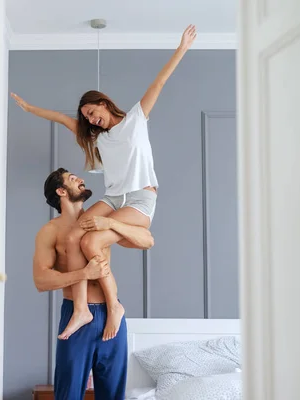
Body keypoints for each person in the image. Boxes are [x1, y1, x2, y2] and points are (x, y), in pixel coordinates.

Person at [14, 24, 197, 341]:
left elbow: (160, 81)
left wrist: (182, 48)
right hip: (114, 197)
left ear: (103, 103)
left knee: (92, 241)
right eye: (85, 116)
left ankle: (114, 305)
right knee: (74, 235)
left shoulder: (136, 120)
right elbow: (61, 119)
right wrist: (30, 109)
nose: (88, 118)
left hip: (140, 197)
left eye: (91, 111)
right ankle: (81, 310)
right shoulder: (97, 142)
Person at [34, 168, 154, 400]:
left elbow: (147, 240)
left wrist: (111, 223)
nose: (81, 179)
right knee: (68, 393)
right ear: (61, 191)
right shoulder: (50, 231)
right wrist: (83, 273)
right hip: (77, 315)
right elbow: (41, 280)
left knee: (112, 392)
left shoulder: (98, 222)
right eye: (72, 179)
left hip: (111, 314)